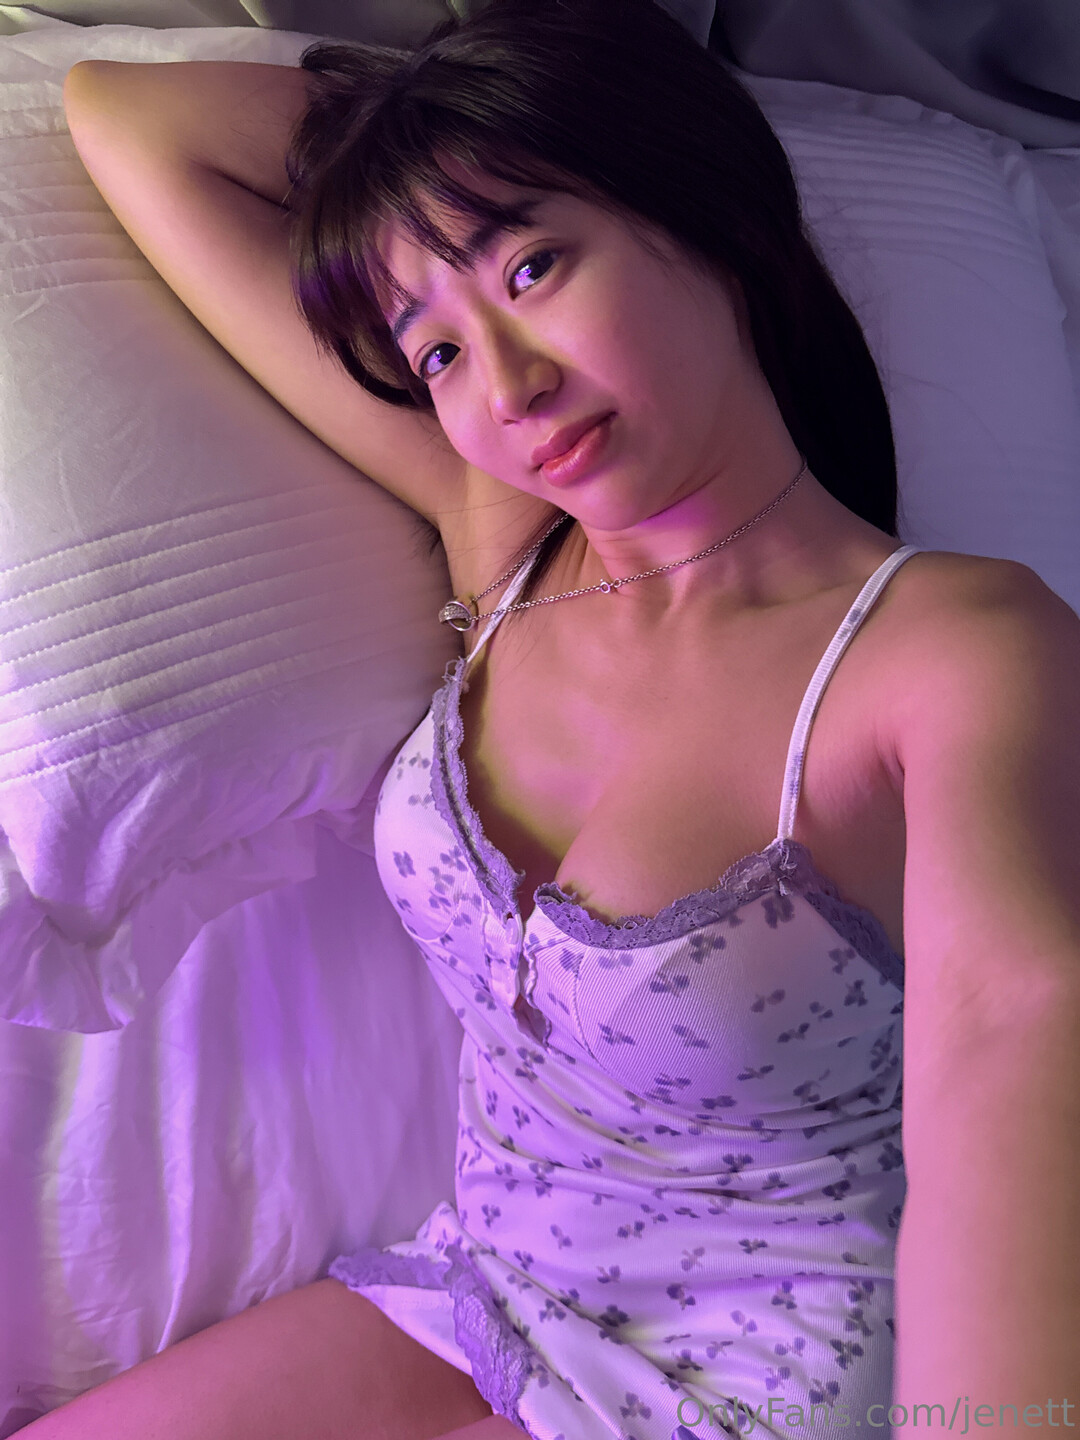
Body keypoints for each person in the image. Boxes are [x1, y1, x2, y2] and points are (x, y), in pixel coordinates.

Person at [52, 0, 1080, 1437]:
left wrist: (518, 121)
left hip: (769, 1378)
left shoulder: (958, 651)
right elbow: (127, 117)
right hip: (481, 1287)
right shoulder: (507, 545)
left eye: (533, 267)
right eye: (435, 351)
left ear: (705, 211)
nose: (509, 385)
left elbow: (1009, 1059)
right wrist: (421, 137)